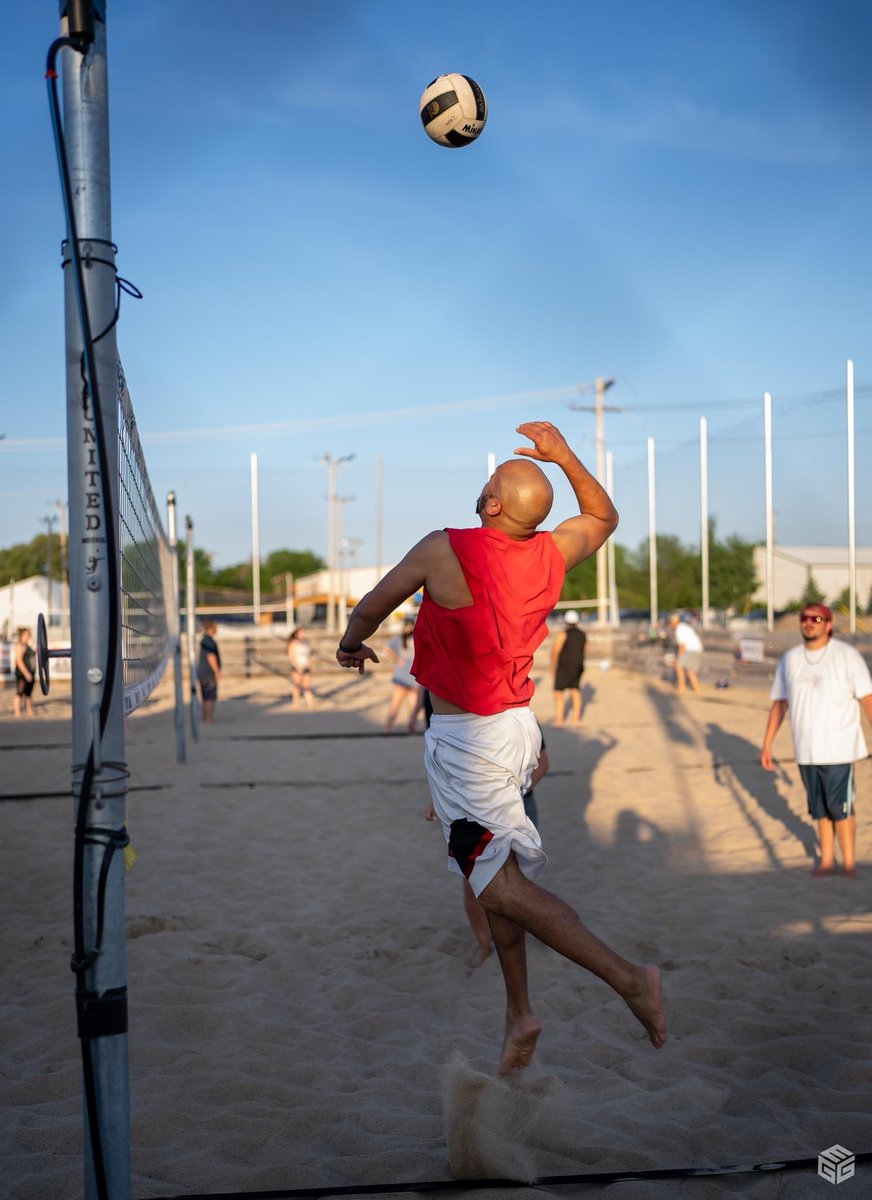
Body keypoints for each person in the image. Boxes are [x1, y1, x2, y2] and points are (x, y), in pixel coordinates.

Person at [336, 420, 666, 1073]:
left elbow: (374, 604)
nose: (483, 487)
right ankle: (519, 1011)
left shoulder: (444, 548)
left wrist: (350, 640)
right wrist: (564, 455)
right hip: (516, 728)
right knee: (494, 876)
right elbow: (603, 514)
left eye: (489, 483)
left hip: (470, 742)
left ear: (491, 504)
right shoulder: (550, 553)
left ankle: (631, 979)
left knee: (497, 882)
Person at [760, 603, 872, 878]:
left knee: (841, 808)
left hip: (839, 748)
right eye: (804, 618)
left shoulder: (846, 656)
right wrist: (767, 744)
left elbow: (867, 699)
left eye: (816, 618)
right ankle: (826, 861)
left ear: (828, 624)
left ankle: (847, 862)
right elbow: (779, 703)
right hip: (806, 750)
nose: (809, 623)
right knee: (819, 808)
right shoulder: (790, 659)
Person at [426, 737, 549, 969]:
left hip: (519, 805)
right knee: (472, 881)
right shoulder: (462, 719)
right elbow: (447, 765)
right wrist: (437, 798)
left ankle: (518, 939)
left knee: (519, 882)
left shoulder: (520, 717)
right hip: (472, 808)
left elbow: (543, 764)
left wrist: (513, 792)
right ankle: (484, 945)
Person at [383, 617, 419, 732]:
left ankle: (387, 729)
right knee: (411, 708)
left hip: (403, 673)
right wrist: (397, 659)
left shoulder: (399, 638)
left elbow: (386, 649)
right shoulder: (415, 639)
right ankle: (409, 730)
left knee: (396, 706)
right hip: (412, 674)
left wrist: (397, 659)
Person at [550, 610, 586, 725]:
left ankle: (559, 719)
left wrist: (552, 664)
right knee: (575, 690)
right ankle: (576, 718)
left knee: (558, 692)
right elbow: (585, 650)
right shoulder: (582, 634)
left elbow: (556, 649)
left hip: (564, 667)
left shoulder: (564, 634)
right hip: (577, 666)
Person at [668, 613, 703, 694]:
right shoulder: (684, 627)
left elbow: (682, 646)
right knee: (690, 670)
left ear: (674, 622)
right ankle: (696, 688)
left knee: (678, 666)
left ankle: (681, 687)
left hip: (690, 650)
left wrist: (677, 658)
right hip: (697, 649)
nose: (670, 625)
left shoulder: (679, 629)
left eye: (670, 623)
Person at [197, 620, 221, 723]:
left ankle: (205, 718)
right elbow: (211, 656)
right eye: (215, 627)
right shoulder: (209, 641)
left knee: (205, 697)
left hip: (203, 673)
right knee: (209, 697)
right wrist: (216, 671)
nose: (216, 629)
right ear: (210, 628)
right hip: (208, 673)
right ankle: (209, 719)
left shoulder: (204, 640)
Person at [286, 627, 315, 708]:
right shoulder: (293, 643)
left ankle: (311, 703)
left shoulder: (305, 643)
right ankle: (295, 703)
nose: (303, 634)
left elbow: (309, 655)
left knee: (307, 686)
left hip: (305, 666)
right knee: (297, 685)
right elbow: (291, 656)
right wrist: (297, 667)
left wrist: (309, 664)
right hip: (296, 666)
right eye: (301, 633)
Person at [13, 627, 36, 718]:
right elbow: (18, 661)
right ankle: (17, 712)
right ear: (22, 635)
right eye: (26, 634)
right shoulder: (19, 645)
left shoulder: (28, 646)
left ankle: (29, 711)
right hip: (22, 673)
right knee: (19, 692)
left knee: (29, 693)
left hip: (31, 672)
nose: (28, 636)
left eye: (28, 634)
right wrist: (26, 673)